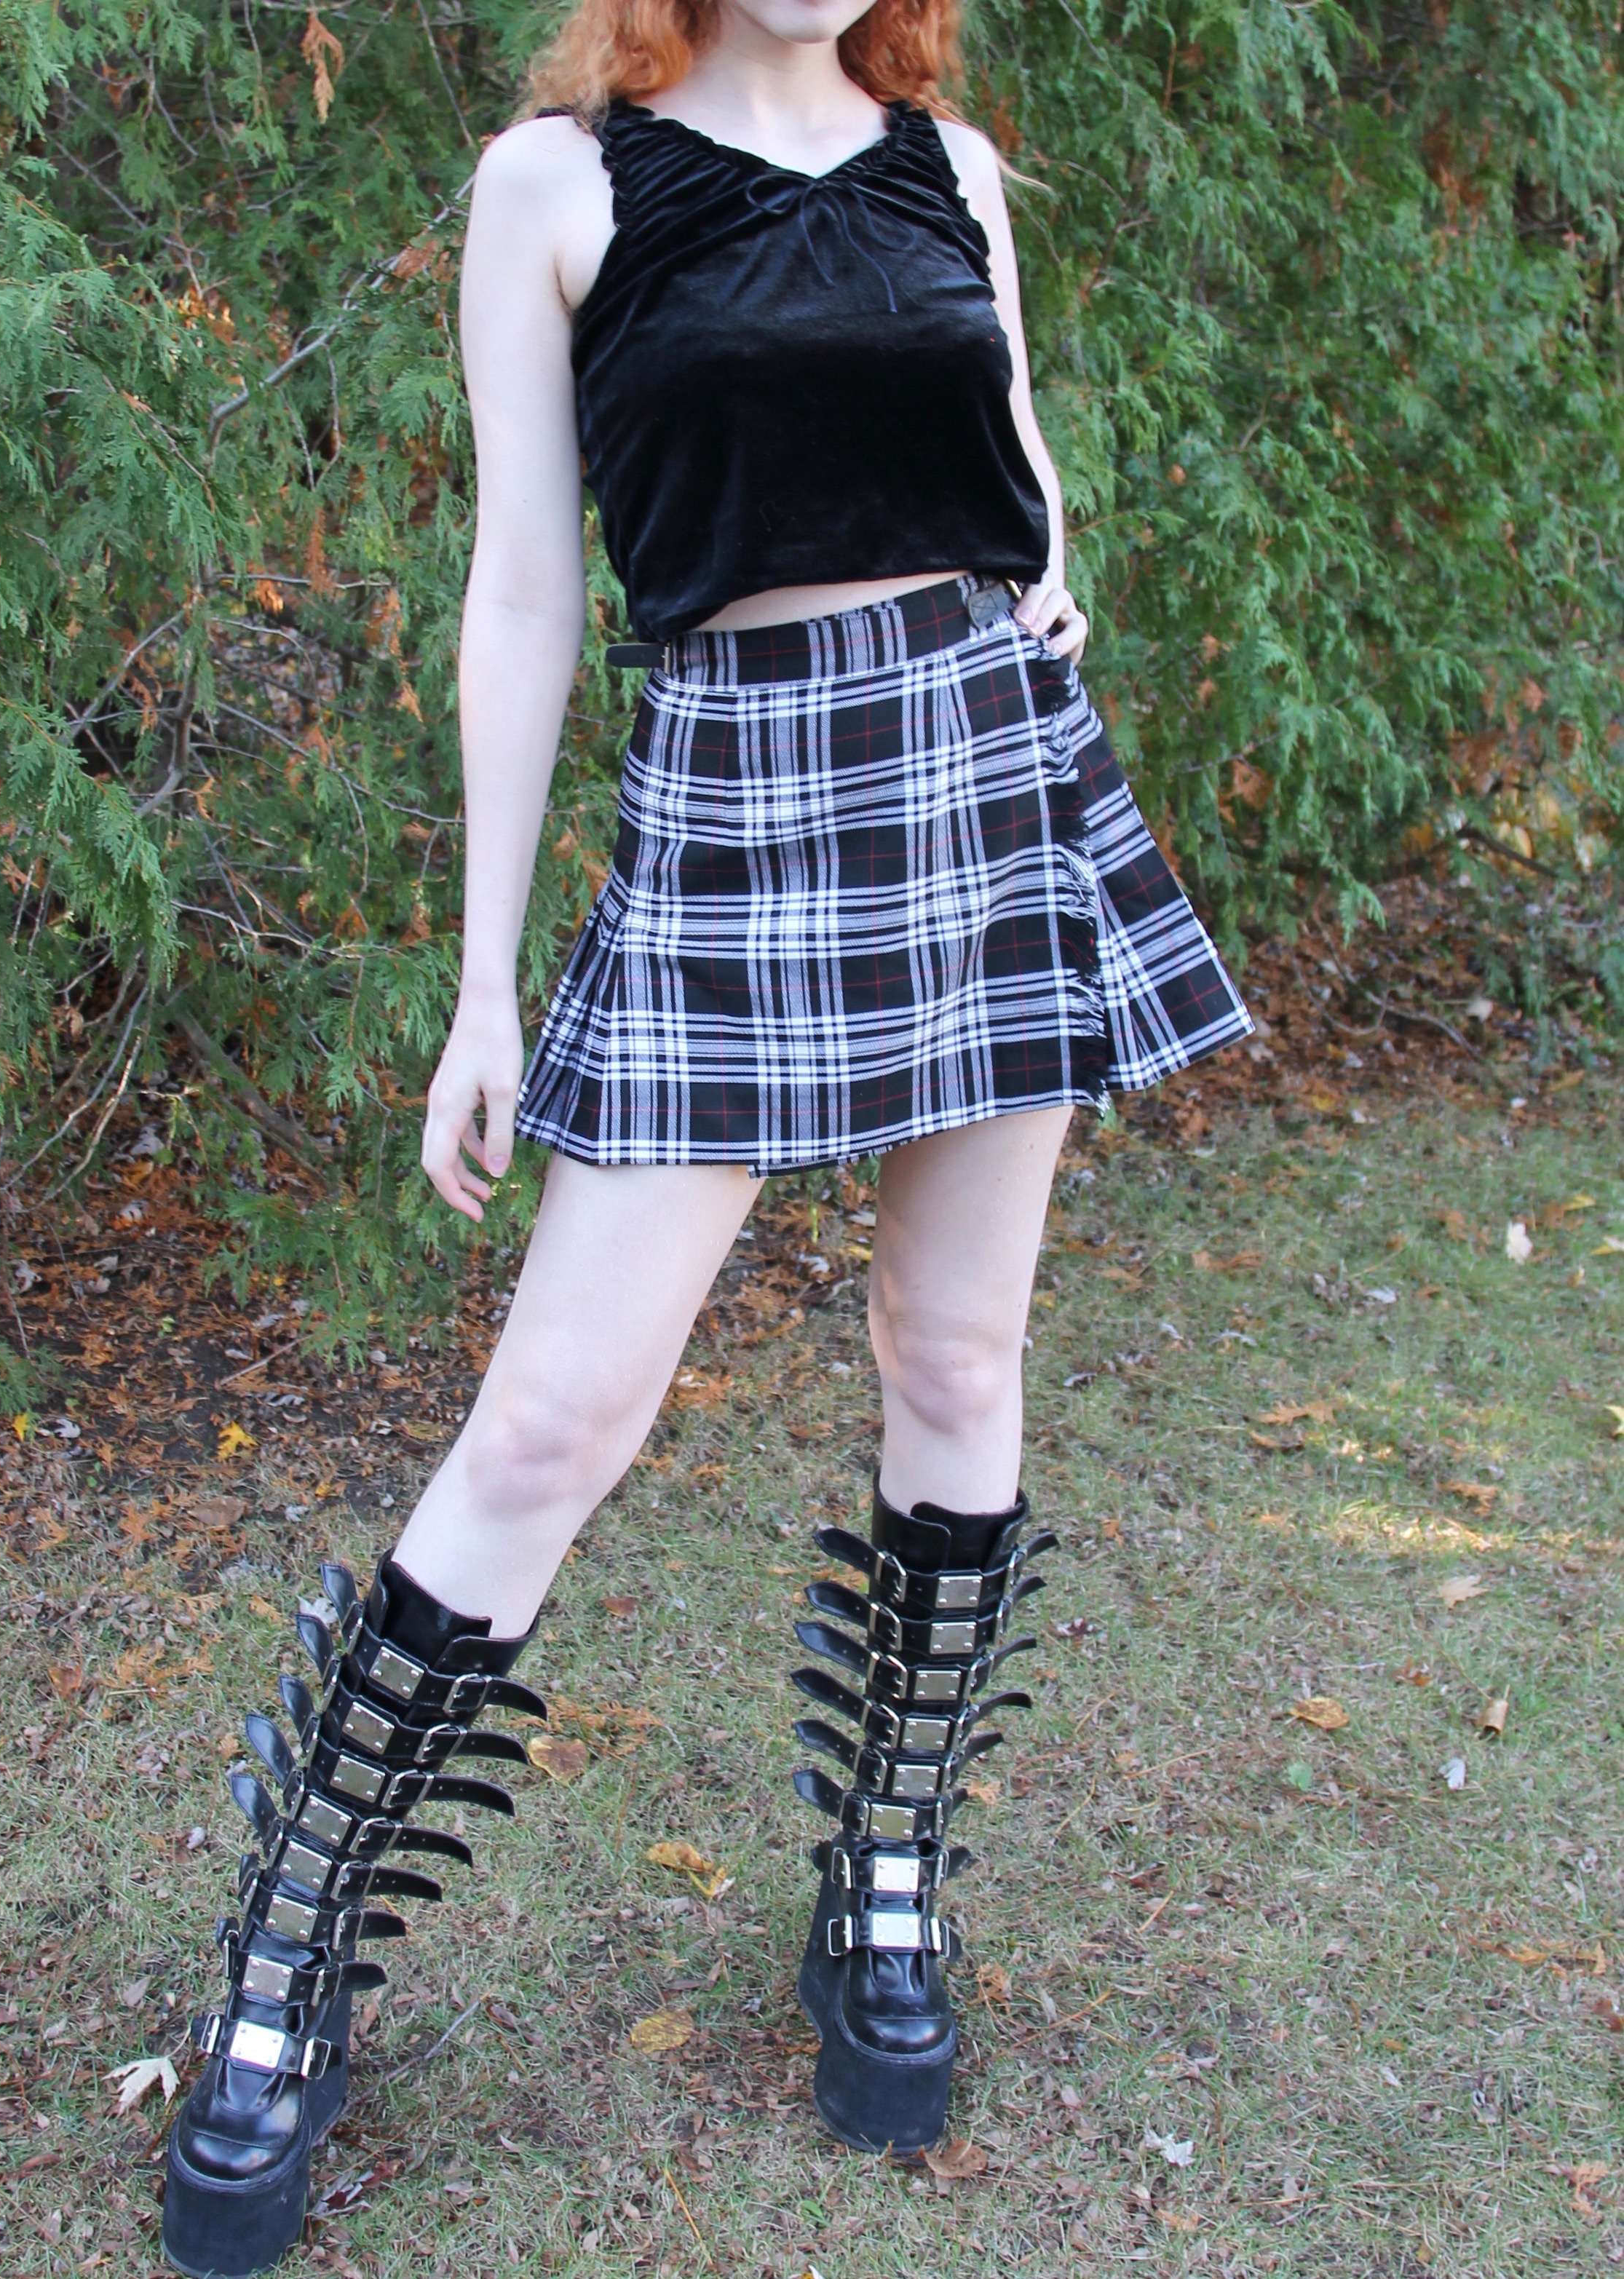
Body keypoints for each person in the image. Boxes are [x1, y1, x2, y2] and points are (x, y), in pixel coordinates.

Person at [162, 0, 1253, 2267]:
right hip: (738, 795)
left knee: (957, 1357)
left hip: (979, 769)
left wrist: (1044, 572)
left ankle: (886, 1878)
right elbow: (524, 589)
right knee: (551, 1415)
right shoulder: (556, 186)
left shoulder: (950, 170)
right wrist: (484, 979)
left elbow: (1016, 462)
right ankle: (289, 1949)